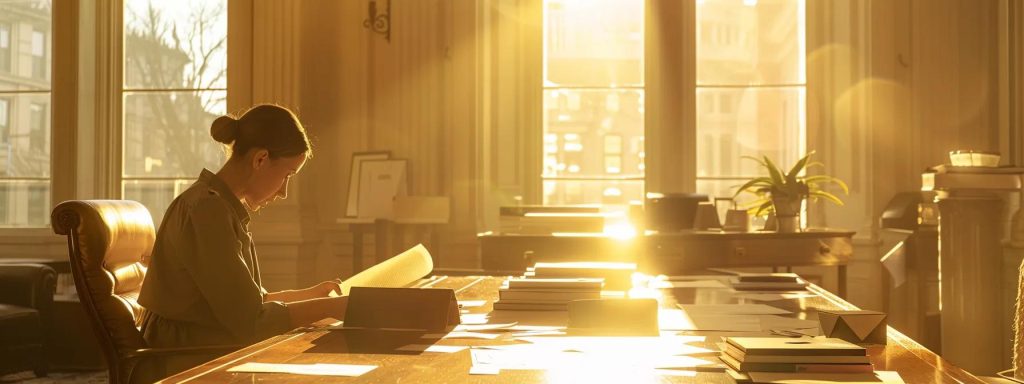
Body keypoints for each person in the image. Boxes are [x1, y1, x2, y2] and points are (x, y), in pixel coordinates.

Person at [138, 104, 346, 374]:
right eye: (287, 175)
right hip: (186, 359)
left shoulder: (219, 207)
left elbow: (247, 302)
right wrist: (336, 308)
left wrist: (311, 295)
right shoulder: (206, 210)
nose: (284, 191)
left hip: (203, 345)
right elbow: (252, 322)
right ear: (260, 159)